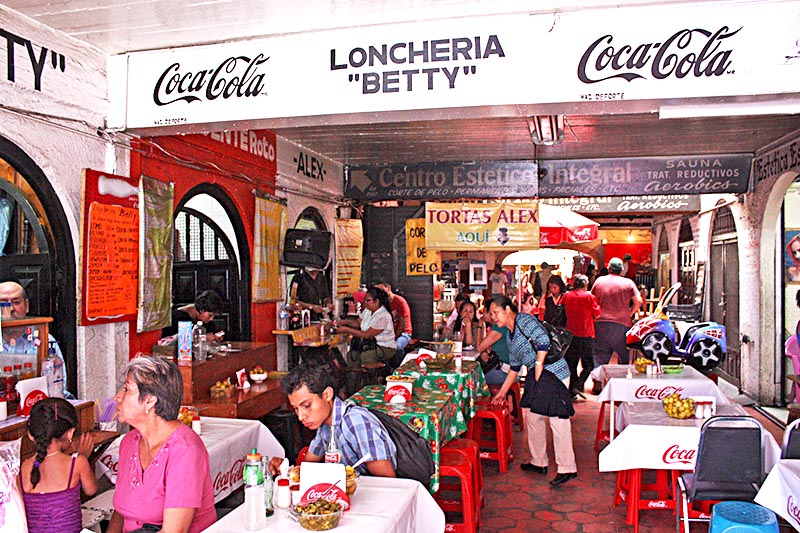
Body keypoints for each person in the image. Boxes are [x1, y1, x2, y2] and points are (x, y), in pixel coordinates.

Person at [109, 357, 216, 533]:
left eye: (127, 389)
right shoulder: (129, 442)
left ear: (150, 401)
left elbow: (174, 531)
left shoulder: (185, 451)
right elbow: (121, 512)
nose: (117, 397)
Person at [489, 295, 577, 485]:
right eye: (491, 313)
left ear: (507, 310)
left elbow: (542, 339)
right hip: (536, 377)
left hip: (554, 373)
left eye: (495, 312)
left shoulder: (524, 320)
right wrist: (502, 393)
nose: (493, 316)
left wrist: (538, 364)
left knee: (557, 420)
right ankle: (539, 461)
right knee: (532, 416)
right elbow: (514, 367)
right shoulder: (509, 335)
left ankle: (567, 467)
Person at [268, 363, 396, 477]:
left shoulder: (356, 422)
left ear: (327, 394)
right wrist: (284, 469)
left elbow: (387, 483)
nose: (301, 416)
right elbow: (306, 469)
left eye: (306, 406)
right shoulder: (325, 425)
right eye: (296, 409)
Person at [20, 398, 98, 533]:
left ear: (31, 436)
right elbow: (91, 490)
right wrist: (85, 457)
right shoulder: (77, 463)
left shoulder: (25, 467)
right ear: (70, 433)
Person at [0, 281, 73, 398]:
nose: (10, 309)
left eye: (16, 302)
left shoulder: (44, 340)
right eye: (2, 303)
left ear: (26, 305)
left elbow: (58, 387)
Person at [591, 257, 643, 367]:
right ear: (621, 270)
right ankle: (620, 382)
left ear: (609, 268)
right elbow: (639, 301)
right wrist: (630, 313)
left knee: (599, 359)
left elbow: (591, 300)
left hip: (600, 323)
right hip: (622, 324)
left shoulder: (599, 281)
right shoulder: (628, 283)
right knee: (624, 359)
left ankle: (598, 383)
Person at [562, 275, 601, 396]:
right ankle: (579, 384)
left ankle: (572, 389)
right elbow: (597, 314)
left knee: (571, 363)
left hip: (570, 333)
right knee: (588, 364)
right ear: (585, 284)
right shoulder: (589, 297)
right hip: (586, 333)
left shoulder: (567, 296)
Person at [336, 286, 397, 365]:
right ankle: (354, 376)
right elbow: (358, 323)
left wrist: (346, 329)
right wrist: (345, 322)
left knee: (366, 356)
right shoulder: (368, 310)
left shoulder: (383, 316)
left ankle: (369, 376)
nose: (365, 302)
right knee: (351, 355)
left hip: (384, 347)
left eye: (368, 300)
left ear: (377, 301)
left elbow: (367, 335)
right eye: (365, 300)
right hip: (368, 344)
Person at [475, 300, 512, 385]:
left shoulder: (499, 328)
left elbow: (479, 347)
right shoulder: (500, 326)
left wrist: (479, 326)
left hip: (505, 372)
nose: (483, 315)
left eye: (484, 312)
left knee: (474, 379)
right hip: (507, 369)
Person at [375, 281, 413, 351]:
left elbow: (402, 325)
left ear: (388, 288)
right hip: (387, 334)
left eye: (381, 290)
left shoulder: (400, 301)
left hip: (403, 333)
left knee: (397, 347)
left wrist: (392, 338)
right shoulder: (379, 304)